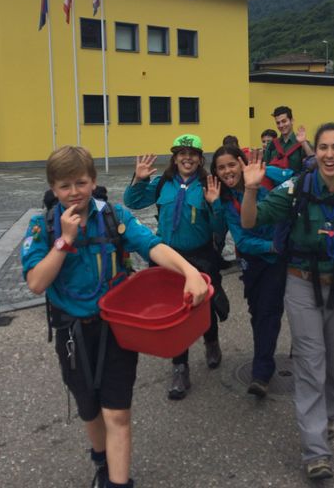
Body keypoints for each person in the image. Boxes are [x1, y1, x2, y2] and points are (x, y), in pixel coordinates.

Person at [21, 146, 207, 488]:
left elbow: (152, 245)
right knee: (90, 409)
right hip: (73, 333)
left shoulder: (113, 216)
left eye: (81, 182)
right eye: (64, 186)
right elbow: (36, 283)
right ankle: (101, 461)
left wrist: (189, 271)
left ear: (93, 181)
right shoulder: (42, 226)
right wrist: (64, 241)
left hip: (117, 330)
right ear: (53, 188)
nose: (74, 192)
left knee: (117, 412)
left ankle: (118, 483)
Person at [240, 122, 334, 481]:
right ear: (317, 151)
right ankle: (316, 450)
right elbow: (250, 220)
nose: (329, 154)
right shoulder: (296, 188)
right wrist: (250, 188)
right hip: (301, 284)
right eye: (323, 147)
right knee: (311, 362)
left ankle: (329, 416)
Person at [123, 134, 227, 400]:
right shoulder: (162, 184)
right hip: (168, 258)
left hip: (200, 257)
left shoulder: (207, 185)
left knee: (205, 307)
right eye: (182, 153)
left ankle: (211, 341)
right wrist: (139, 179)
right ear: (175, 158)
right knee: (176, 313)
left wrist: (215, 204)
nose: (187, 158)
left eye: (192, 154)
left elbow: (219, 228)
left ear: (200, 159)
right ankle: (180, 368)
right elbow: (132, 202)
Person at [207, 145, 286, 398]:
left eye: (231, 164)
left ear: (242, 164)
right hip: (255, 261)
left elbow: (296, 180)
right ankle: (264, 358)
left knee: (271, 311)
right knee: (258, 312)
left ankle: (261, 373)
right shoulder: (227, 200)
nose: (227, 171)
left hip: (281, 258)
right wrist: (272, 246)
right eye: (221, 168)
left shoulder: (267, 175)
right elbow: (240, 239)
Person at [263, 105, 314, 174]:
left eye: (284, 121)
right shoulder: (271, 144)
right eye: (278, 123)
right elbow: (265, 168)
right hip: (274, 180)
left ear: (292, 121)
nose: (281, 125)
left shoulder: (302, 143)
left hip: (296, 180)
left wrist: (304, 143)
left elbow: (314, 163)